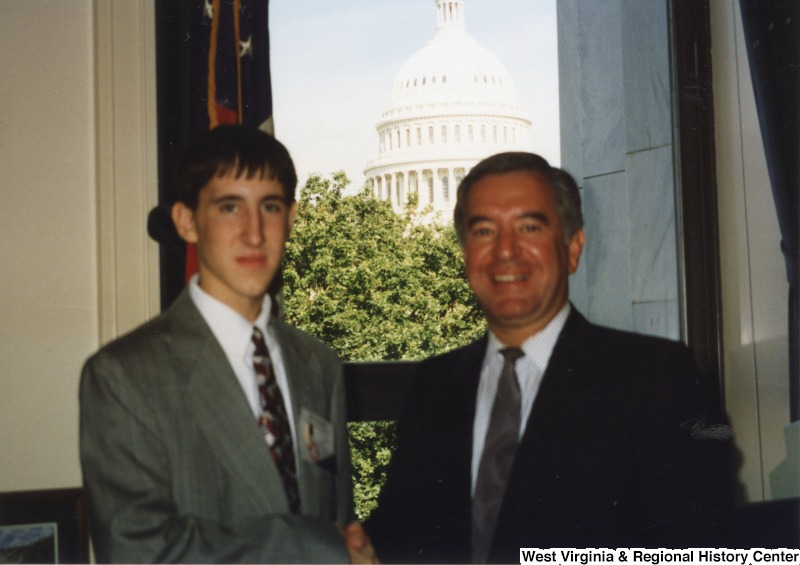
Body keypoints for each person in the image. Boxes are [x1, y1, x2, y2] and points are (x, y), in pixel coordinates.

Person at [365, 152, 739, 563]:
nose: (505, 251)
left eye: (529, 227)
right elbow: (398, 533)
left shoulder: (657, 378)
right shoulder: (434, 384)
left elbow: (698, 547)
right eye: (484, 231)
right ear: (465, 254)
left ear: (572, 249)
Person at [79, 125, 376, 563]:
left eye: (270, 207)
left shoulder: (318, 363)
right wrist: (319, 548)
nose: (254, 233)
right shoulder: (124, 375)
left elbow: (336, 513)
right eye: (229, 207)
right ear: (187, 221)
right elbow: (137, 550)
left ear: (291, 218)